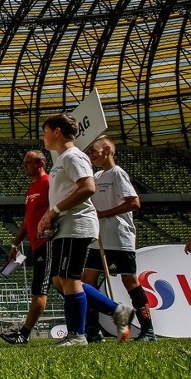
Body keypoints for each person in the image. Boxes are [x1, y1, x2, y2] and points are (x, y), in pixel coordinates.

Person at [37, 114, 134, 347]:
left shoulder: (73, 156)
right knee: (61, 280)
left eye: (45, 132)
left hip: (76, 224)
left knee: (69, 279)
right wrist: (51, 215)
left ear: (57, 132)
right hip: (66, 225)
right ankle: (117, 310)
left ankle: (77, 335)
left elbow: (88, 187)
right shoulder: (63, 159)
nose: (44, 137)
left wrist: (55, 211)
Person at [82, 135, 155, 342]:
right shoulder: (95, 177)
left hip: (120, 236)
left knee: (130, 281)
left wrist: (104, 214)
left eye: (93, 151)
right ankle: (93, 329)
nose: (91, 156)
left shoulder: (117, 173)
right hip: (99, 239)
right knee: (87, 281)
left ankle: (147, 329)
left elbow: (134, 203)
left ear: (106, 150)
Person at [0, 150, 51, 345]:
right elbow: (26, 221)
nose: (24, 166)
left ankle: (24, 334)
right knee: (65, 285)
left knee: (41, 289)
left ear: (40, 163)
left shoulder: (49, 183)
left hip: (48, 243)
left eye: (27, 163)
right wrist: (15, 243)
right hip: (36, 244)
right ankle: (109, 311)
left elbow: (55, 210)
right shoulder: (31, 189)